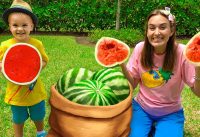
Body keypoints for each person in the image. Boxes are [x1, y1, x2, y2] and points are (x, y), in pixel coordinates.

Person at [120, 7, 200, 137]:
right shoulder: (140, 49)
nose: (156, 32)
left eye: (162, 27)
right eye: (152, 28)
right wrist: (122, 64)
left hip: (171, 113)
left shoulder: (182, 53)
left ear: (171, 30)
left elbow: (198, 93)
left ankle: (159, 127)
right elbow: (132, 85)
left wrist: (198, 67)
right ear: (147, 32)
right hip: (142, 108)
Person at [0, 0, 49, 137]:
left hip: (35, 92)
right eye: (15, 25)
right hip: (16, 94)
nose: (19, 29)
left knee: (38, 115)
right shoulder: (4, 46)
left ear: (31, 26)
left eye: (24, 25)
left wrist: (33, 70)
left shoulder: (37, 44)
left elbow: (44, 60)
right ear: (9, 27)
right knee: (18, 118)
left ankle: (40, 132)